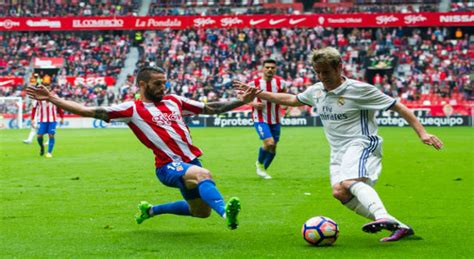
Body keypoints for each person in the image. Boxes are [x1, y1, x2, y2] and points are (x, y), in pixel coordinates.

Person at [234, 47, 443, 242]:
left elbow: (399, 107)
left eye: (326, 72)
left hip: (362, 142)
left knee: (350, 181)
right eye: (318, 72)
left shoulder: (360, 90)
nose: (322, 77)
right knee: (340, 192)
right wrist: (258, 93)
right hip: (338, 151)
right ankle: (399, 227)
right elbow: (291, 99)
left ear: (339, 67)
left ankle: (382, 215)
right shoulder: (316, 91)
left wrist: (422, 133)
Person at [27, 67, 260, 230]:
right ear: (142, 84)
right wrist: (53, 99)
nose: (163, 86)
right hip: (167, 166)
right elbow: (89, 110)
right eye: (157, 83)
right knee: (203, 175)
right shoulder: (132, 109)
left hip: (189, 162)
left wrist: (243, 100)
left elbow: (212, 108)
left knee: (200, 211)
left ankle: (150, 211)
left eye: (164, 82)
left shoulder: (175, 101)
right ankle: (226, 214)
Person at [248, 59, 288, 179]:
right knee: (269, 142)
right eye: (267, 67)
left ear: (275, 69)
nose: (270, 69)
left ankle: (263, 170)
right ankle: (259, 164)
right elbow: (242, 96)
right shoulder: (254, 83)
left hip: (275, 119)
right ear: (263, 69)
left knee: (273, 147)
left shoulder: (281, 83)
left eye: (272, 67)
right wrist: (253, 104)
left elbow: (285, 95)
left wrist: (285, 106)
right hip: (260, 118)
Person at [30, 87, 64, 158]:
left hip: (52, 120)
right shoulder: (38, 98)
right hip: (42, 120)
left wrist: (62, 117)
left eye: (49, 90)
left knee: (51, 135)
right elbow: (34, 108)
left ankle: (49, 152)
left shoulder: (55, 97)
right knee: (39, 136)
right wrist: (32, 119)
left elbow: (59, 108)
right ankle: (42, 147)